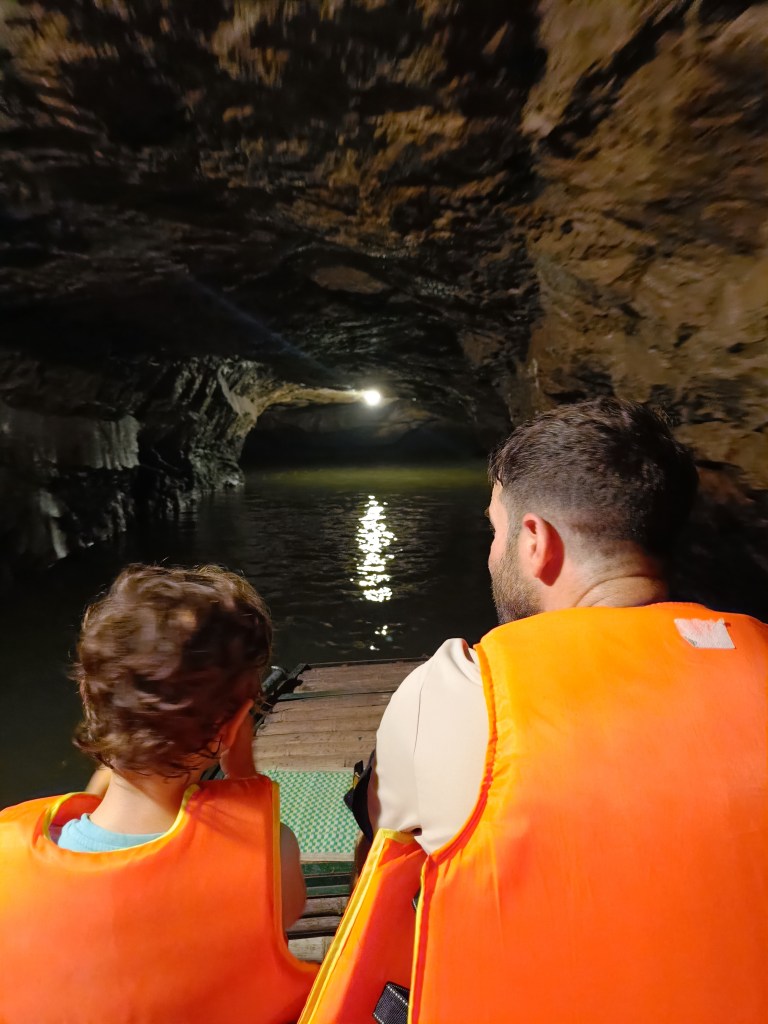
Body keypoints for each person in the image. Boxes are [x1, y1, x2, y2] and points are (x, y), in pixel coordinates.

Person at [299, 398, 768, 1024]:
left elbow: (383, 849)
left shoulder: (461, 693)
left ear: (536, 541)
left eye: (495, 531)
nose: (492, 552)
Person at [0, 564, 318, 1024]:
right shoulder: (270, 852)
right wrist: (243, 778)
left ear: (89, 698)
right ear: (233, 727)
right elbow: (290, 912)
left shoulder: (11, 863)